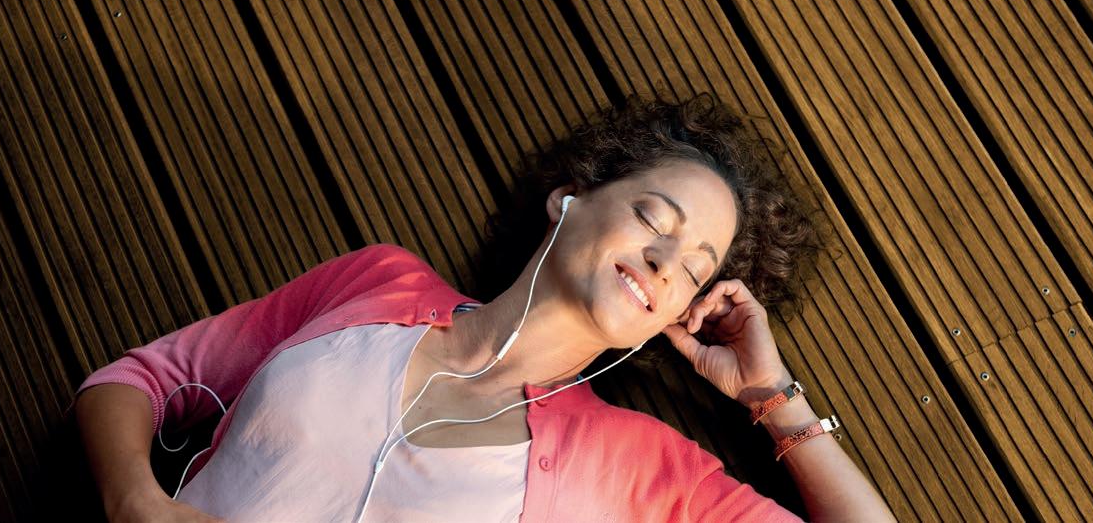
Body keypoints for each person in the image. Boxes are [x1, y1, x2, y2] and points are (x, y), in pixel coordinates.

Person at [72, 94, 894, 522]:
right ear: (570, 197)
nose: (662, 261)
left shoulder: (637, 466)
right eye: (654, 219)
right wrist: (138, 504)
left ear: (674, 314)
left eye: (692, 270)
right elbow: (139, 381)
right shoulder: (378, 282)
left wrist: (772, 396)